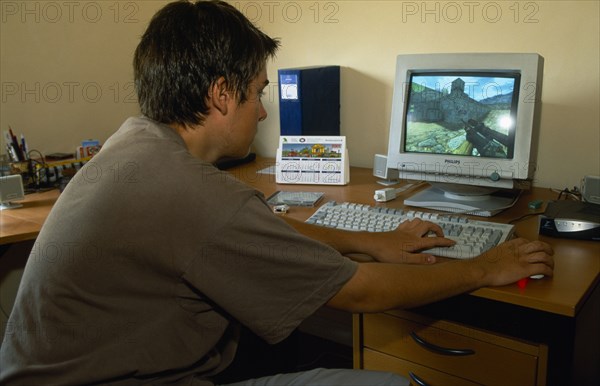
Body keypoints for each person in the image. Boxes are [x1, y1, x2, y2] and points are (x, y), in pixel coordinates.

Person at [0, 1, 554, 385]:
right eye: (258, 92)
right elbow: (359, 294)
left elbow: (255, 230)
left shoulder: (133, 146)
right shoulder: (193, 193)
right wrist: (484, 267)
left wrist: (367, 240)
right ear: (221, 94)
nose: (265, 109)